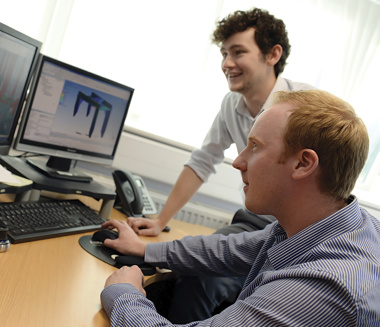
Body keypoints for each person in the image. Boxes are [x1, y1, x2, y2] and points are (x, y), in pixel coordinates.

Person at [100, 89, 380, 326]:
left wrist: (124, 292)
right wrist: (144, 249)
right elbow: (227, 250)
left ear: (303, 164)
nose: (238, 162)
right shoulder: (333, 225)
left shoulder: (327, 287)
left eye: (255, 147)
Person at [129, 8, 314, 322]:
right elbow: (203, 160)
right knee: (190, 270)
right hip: (254, 222)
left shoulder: (307, 104)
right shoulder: (231, 105)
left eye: (238, 52)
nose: (227, 63)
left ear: (273, 54)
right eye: (224, 53)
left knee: (207, 280)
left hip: (297, 231)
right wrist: (160, 220)